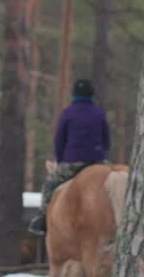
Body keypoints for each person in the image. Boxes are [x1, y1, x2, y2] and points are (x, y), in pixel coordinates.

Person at [27, 79, 111, 236]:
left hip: (73, 161)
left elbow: (59, 140)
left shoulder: (68, 113)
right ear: (92, 95)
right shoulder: (99, 113)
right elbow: (106, 140)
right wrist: (102, 156)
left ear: (74, 95)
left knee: (50, 184)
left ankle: (43, 219)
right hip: (97, 161)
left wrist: (60, 160)